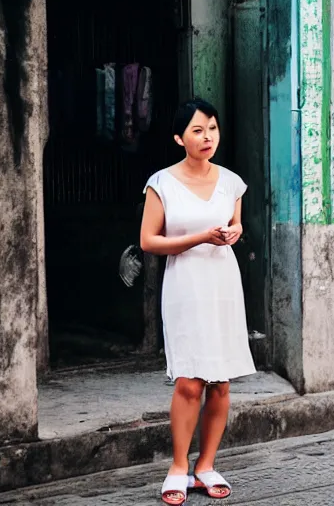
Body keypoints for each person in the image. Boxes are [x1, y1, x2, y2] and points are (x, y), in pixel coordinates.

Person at [140, 98, 256, 505]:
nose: (207, 137)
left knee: (221, 382)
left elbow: (236, 223)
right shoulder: (162, 183)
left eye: (212, 128)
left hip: (223, 283)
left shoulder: (232, 182)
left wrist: (233, 233)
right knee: (190, 380)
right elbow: (149, 241)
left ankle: (206, 464)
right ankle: (178, 466)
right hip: (186, 286)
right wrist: (200, 238)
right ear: (179, 138)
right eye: (197, 131)